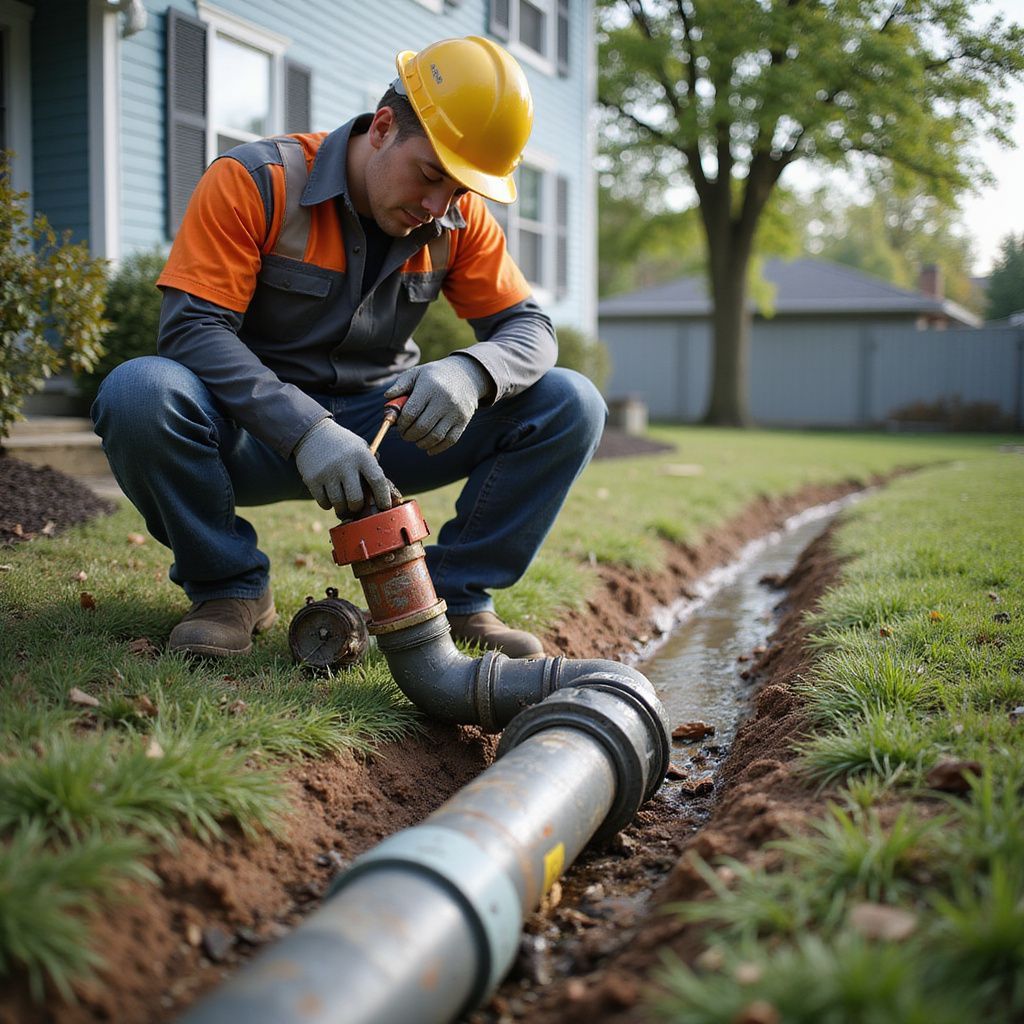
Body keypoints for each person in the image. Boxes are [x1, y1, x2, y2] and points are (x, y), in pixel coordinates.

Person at [92, 35, 606, 660]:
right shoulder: (257, 182)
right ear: (384, 127)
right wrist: (305, 429)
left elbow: (531, 329)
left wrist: (475, 370)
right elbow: (192, 330)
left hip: (386, 432)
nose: (437, 207)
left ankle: (454, 596)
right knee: (140, 392)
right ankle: (229, 590)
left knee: (570, 402)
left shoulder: (457, 220)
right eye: (431, 175)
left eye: (459, 191)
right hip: (247, 432)